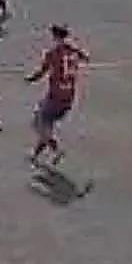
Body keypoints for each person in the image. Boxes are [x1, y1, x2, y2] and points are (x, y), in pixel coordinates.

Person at [25, 25, 90, 167]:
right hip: (69, 97)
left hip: (55, 96)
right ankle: (35, 154)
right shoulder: (72, 51)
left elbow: (40, 73)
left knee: (39, 124)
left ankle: (57, 150)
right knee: (46, 124)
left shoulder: (52, 54)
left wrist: (29, 79)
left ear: (55, 36)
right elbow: (86, 57)